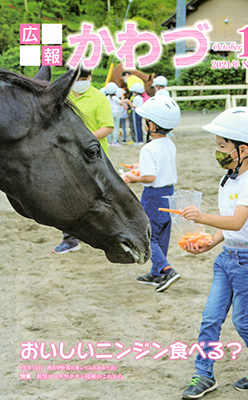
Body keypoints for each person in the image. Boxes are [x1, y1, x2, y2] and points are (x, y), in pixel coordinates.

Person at [180, 107, 248, 399]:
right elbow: (229, 226)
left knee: (242, 321)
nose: (218, 151)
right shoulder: (229, 179)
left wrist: (201, 218)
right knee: (210, 318)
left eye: (222, 146)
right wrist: (210, 242)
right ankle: (203, 374)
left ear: (243, 149)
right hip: (227, 258)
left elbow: (237, 221)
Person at [52, 67, 114, 254]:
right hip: (69, 157)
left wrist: (84, 140)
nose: (81, 81)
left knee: (102, 198)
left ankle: (110, 235)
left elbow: (107, 127)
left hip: (95, 158)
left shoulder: (99, 98)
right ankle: (70, 239)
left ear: (90, 77)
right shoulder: (65, 97)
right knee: (67, 198)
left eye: (84, 78)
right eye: (78, 78)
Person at [123, 96, 181, 292]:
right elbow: (160, 165)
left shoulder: (148, 148)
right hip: (169, 193)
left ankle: (167, 270)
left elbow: (149, 177)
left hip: (153, 195)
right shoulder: (169, 144)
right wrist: (138, 166)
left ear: (153, 125)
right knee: (162, 233)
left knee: (148, 237)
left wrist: (132, 176)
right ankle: (156, 273)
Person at [121, 71, 145, 143]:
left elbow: (131, 92)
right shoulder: (138, 79)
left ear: (126, 75)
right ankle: (139, 139)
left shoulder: (131, 79)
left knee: (135, 126)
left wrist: (128, 101)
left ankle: (137, 140)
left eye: (123, 78)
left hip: (135, 111)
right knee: (139, 126)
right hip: (139, 110)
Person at [105, 82, 122, 146]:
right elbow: (121, 103)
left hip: (109, 113)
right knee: (116, 128)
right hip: (116, 113)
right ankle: (114, 142)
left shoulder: (106, 97)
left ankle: (109, 142)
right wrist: (122, 98)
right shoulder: (116, 98)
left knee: (109, 127)